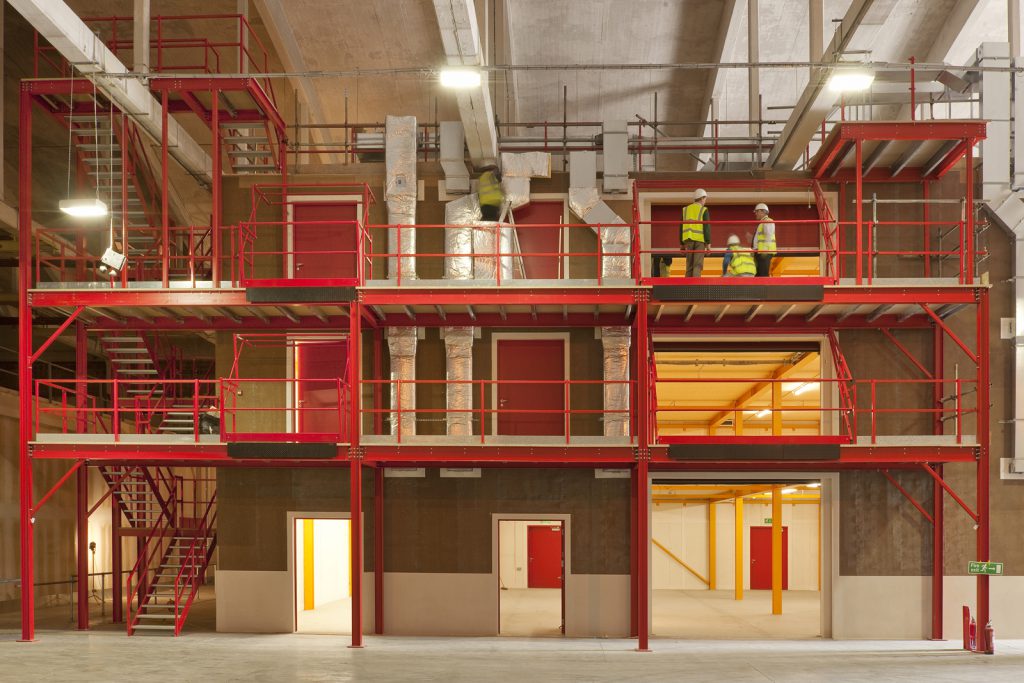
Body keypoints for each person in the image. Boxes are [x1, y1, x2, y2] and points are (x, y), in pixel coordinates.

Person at [680, 188, 710, 277]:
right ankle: (696, 288)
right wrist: (708, 244)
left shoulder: (685, 209)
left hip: (688, 240)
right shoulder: (704, 210)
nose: (705, 201)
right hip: (700, 241)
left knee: (689, 266)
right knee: (697, 265)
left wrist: (681, 244)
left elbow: (681, 227)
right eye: (705, 199)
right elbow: (706, 227)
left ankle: (687, 288)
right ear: (702, 198)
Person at [752, 202, 776, 277]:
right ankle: (759, 288)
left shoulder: (768, 221)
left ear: (762, 211)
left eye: (756, 211)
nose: (755, 214)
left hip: (764, 252)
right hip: (760, 252)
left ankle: (764, 288)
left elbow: (768, 234)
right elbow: (762, 237)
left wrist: (764, 250)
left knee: (763, 274)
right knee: (759, 274)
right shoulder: (762, 223)